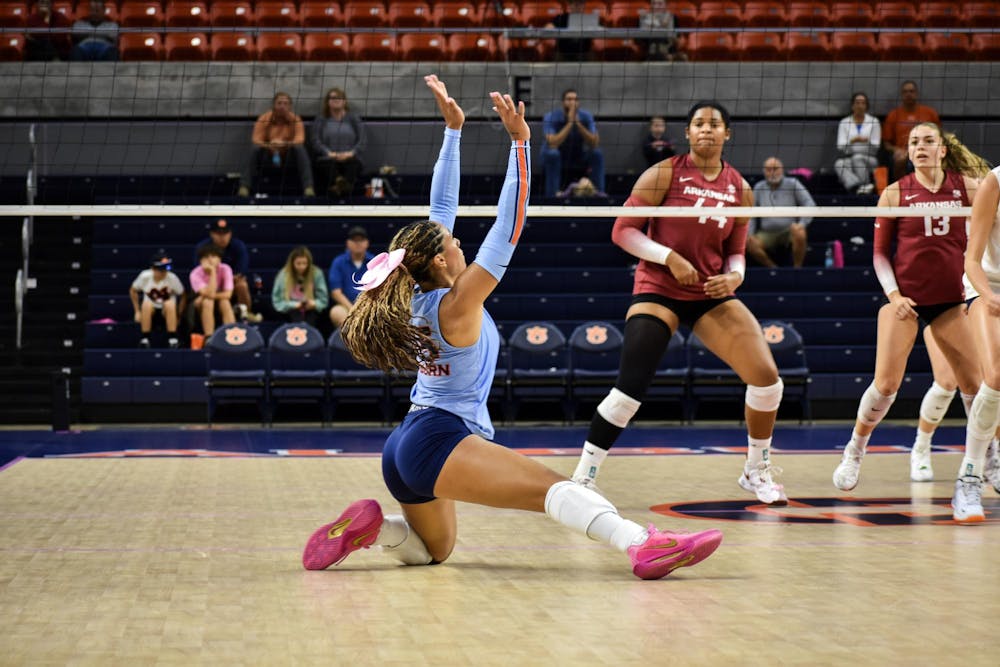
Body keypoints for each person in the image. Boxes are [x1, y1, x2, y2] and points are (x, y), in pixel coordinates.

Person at [301, 75, 723, 580]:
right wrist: (520, 143)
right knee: (552, 487)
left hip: (406, 445)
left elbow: (439, 210)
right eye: (453, 244)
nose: (460, 241)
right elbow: (510, 223)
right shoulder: (457, 302)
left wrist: (453, 133)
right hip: (438, 439)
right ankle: (642, 544)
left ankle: (374, 529)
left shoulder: (412, 291)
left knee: (434, 551)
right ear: (440, 260)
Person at [570, 101, 790, 506]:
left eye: (714, 124)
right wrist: (668, 257)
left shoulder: (739, 187)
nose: (706, 130)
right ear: (687, 133)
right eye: (698, 124)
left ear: (728, 134)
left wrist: (736, 276)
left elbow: (737, 251)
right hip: (659, 286)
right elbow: (623, 231)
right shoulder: (665, 173)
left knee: (767, 379)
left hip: (708, 292)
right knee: (629, 391)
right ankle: (583, 477)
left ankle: (755, 470)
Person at [831, 123, 990, 524]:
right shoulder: (895, 192)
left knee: (976, 383)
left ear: (942, 149)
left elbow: (986, 231)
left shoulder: (969, 188)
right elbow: (880, 255)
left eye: (927, 142)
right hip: (907, 302)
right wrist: (894, 296)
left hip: (952, 301)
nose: (920, 147)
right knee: (886, 384)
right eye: (914, 142)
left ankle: (990, 456)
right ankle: (854, 451)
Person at [906, 327, 1000, 487]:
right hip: (945, 310)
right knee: (945, 384)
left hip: (980, 311)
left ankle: (991, 456)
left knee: (990, 385)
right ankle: (921, 447)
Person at [961, 161, 1000, 513]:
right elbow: (971, 261)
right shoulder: (996, 180)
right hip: (985, 287)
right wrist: (989, 296)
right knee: (997, 375)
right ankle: (969, 478)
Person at [238, 92, 315, 198]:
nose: (282, 106)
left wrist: (284, 144)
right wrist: (270, 145)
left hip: (288, 158)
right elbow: (256, 140)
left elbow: (300, 140)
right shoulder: (264, 118)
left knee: (300, 149)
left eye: (285, 103)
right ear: (273, 105)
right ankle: (244, 187)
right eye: (279, 103)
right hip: (268, 156)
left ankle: (308, 188)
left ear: (290, 106)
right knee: (254, 149)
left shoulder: (296, 120)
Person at [747, 157, 816, 268]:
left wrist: (801, 224)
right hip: (767, 233)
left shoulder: (793, 184)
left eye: (776, 169)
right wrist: (750, 233)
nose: (772, 172)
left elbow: (810, 204)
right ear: (764, 172)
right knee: (748, 241)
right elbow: (751, 214)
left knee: (800, 232)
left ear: (782, 169)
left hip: (789, 230)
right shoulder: (759, 187)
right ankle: (773, 268)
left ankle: (797, 268)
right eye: (769, 169)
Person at [194, 219, 262, 323]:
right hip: (207, 286)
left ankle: (245, 313)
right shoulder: (202, 247)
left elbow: (240, 273)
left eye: (225, 233)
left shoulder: (238, 246)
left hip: (230, 284)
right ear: (212, 234)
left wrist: (226, 282)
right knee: (205, 301)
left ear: (230, 234)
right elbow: (200, 272)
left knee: (242, 285)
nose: (222, 237)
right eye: (218, 234)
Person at [541, 89, 605, 198]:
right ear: (563, 102)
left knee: (597, 153)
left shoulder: (586, 116)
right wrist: (570, 124)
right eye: (569, 99)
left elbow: (594, 142)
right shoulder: (551, 116)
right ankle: (552, 197)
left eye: (575, 99)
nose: (572, 102)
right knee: (552, 154)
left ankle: (599, 195)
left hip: (578, 155)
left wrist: (578, 124)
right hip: (556, 156)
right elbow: (552, 143)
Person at [310, 87, 367, 198]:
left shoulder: (353, 118)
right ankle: (342, 185)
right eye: (333, 98)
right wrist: (329, 153)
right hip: (328, 159)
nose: (336, 100)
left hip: (350, 158)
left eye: (339, 98)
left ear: (344, 101)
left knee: (354, 164)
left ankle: (338, 187)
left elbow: (363, 140)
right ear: (327, 102)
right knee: (326, 165)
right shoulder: (321, 119)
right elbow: (315, 140)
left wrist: (351, 153)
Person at [882, 81, 941, 181]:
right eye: (905, 92)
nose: (908, 94)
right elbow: (886, 143)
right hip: (902, 151)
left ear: (916, 94)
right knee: (900, 159)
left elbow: (940, 137)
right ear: (901, 95)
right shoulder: (893, 115)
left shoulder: (930, 113)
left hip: (926, 149)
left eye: (911, 91)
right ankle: (902, 191)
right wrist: (896, 150)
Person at [129, 253, 185, 349]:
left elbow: (183, 295)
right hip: (151, 311)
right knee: (146, 304)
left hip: (166, 312)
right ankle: (145, 338)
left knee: (169, 304)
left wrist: (179, 314)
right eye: (160, 270)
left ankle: (173, 338)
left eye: (165, 269)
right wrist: (137, 311)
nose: (164, 272)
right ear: (153, 269)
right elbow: (133, 290)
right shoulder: (144, 276)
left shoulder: (172, 277)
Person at [328, 226, 375, 329]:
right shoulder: (338, 262)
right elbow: (336, 293)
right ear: (348, 243)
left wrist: (365, 309)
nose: (358, 243)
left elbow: (379, 290)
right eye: (354, 240)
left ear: (367, 243)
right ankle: (348, 343)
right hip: (346, 307)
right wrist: (353, 309)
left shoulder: (375, 261)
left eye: (361, 240)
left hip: (369, 306)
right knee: (336, 312)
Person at [270, 246, 329, 327]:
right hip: (290, 308)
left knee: (312, 319)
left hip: (311, 308)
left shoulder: (316, 273)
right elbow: (277, 301)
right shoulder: (283, 275)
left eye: (304, 263)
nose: (302, 267)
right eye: (298, 264)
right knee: (296, 316)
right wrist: (294, 305)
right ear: (292, 263)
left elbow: (323, 300)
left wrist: (314, 304)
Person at [834, 92, 880, 195]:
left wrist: (864, 142)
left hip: (870, 159)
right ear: (852, 106)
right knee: (839, 164)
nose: (860, 106)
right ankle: (858, 187)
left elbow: (876, 146)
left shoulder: (874, 122)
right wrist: (853, 140)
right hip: (850, 157)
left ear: (866, 106)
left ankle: (864, 185)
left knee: (858, 158)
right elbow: (840, 146)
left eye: (863, 103)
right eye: (857, 103)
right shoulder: (844, 122)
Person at [189, 244, 236, 336]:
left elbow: (228, 294)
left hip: (214, 298)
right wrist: (213, 273)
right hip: (198, 304)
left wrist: (209, 296)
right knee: (208, 302)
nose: (210, 260)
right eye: (206, 257)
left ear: (220, 259)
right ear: (201, 260)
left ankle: (233, 334)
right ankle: (209, 336)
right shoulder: (195, 274)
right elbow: (208, 294)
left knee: (224, 301)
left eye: (213, 256)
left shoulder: (226, 269)